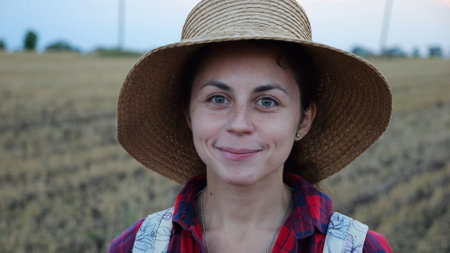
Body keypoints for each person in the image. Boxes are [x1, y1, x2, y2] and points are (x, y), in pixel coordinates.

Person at [108, 0, 392, 252]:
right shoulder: (134, 247)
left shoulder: (361, 249)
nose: (240, 124)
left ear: (303, 120)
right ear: (188, 115)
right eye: (218, 98)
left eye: (267, 102)